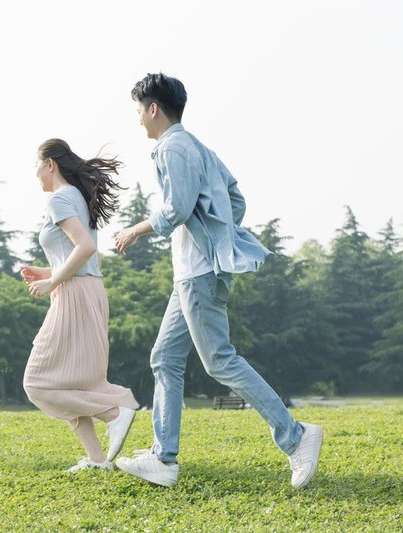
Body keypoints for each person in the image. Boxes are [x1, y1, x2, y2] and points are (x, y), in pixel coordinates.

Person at [113, 73, 323, 488]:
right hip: (192, 274)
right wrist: (218, 235)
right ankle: (163, 458)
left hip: (198, 273)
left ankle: (296, 435)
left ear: (153, 109)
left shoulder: (170, 148)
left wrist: (135, 230)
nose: (137, 119)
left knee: (219, 360)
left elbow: (177, 208)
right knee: (164, 358)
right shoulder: (198, 147)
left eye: (139, 110)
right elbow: (235, 198)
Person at [21, 138, 140, 473]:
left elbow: (85, 247)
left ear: (50, 164)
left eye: (36, 165)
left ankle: (114, 414)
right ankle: (98, 460)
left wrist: (52, 281)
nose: (35, 173)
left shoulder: (59, 199)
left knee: (37, 382)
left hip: (74, 294)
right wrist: (47, 272)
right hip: (85, 289)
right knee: (71, 382)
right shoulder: (76, 197)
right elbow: (83, 258)